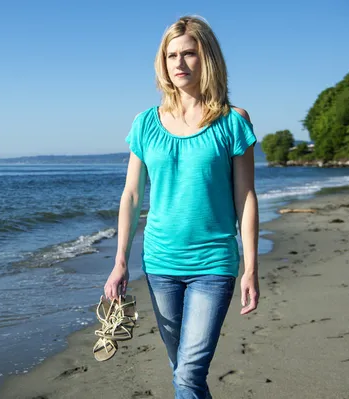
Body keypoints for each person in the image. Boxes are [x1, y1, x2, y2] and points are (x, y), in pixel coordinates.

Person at [104, 15, 260, 399]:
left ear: (206, 57)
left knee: (188, 374)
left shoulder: (232, 120)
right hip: (159, 264)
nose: (179, 63)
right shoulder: (145, 124)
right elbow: (132, 195)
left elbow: (246, 197)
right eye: (171, 55)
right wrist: (120, 260)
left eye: (189, 53)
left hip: (213, 263)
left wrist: (252, 268)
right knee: (184, 372)